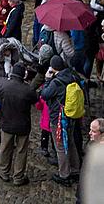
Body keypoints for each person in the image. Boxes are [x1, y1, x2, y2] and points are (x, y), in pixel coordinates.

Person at [0, 62, 37, 186]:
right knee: (21, 151)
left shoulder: (2, 85)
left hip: (6, 122)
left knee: (5, 148)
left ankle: (3, 171)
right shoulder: (28, 89)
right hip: (23, 125)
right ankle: (18, 176)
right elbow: (36, 99)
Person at [40, 55, 83, 186]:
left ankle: (64, 174)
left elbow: (44, 94)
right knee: (70, 143)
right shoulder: (73, 75)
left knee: (60, 146)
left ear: (53, 68)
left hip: (59, 118)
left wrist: (47, 79)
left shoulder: (56, 82)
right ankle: (76, 170)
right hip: (72, 115)